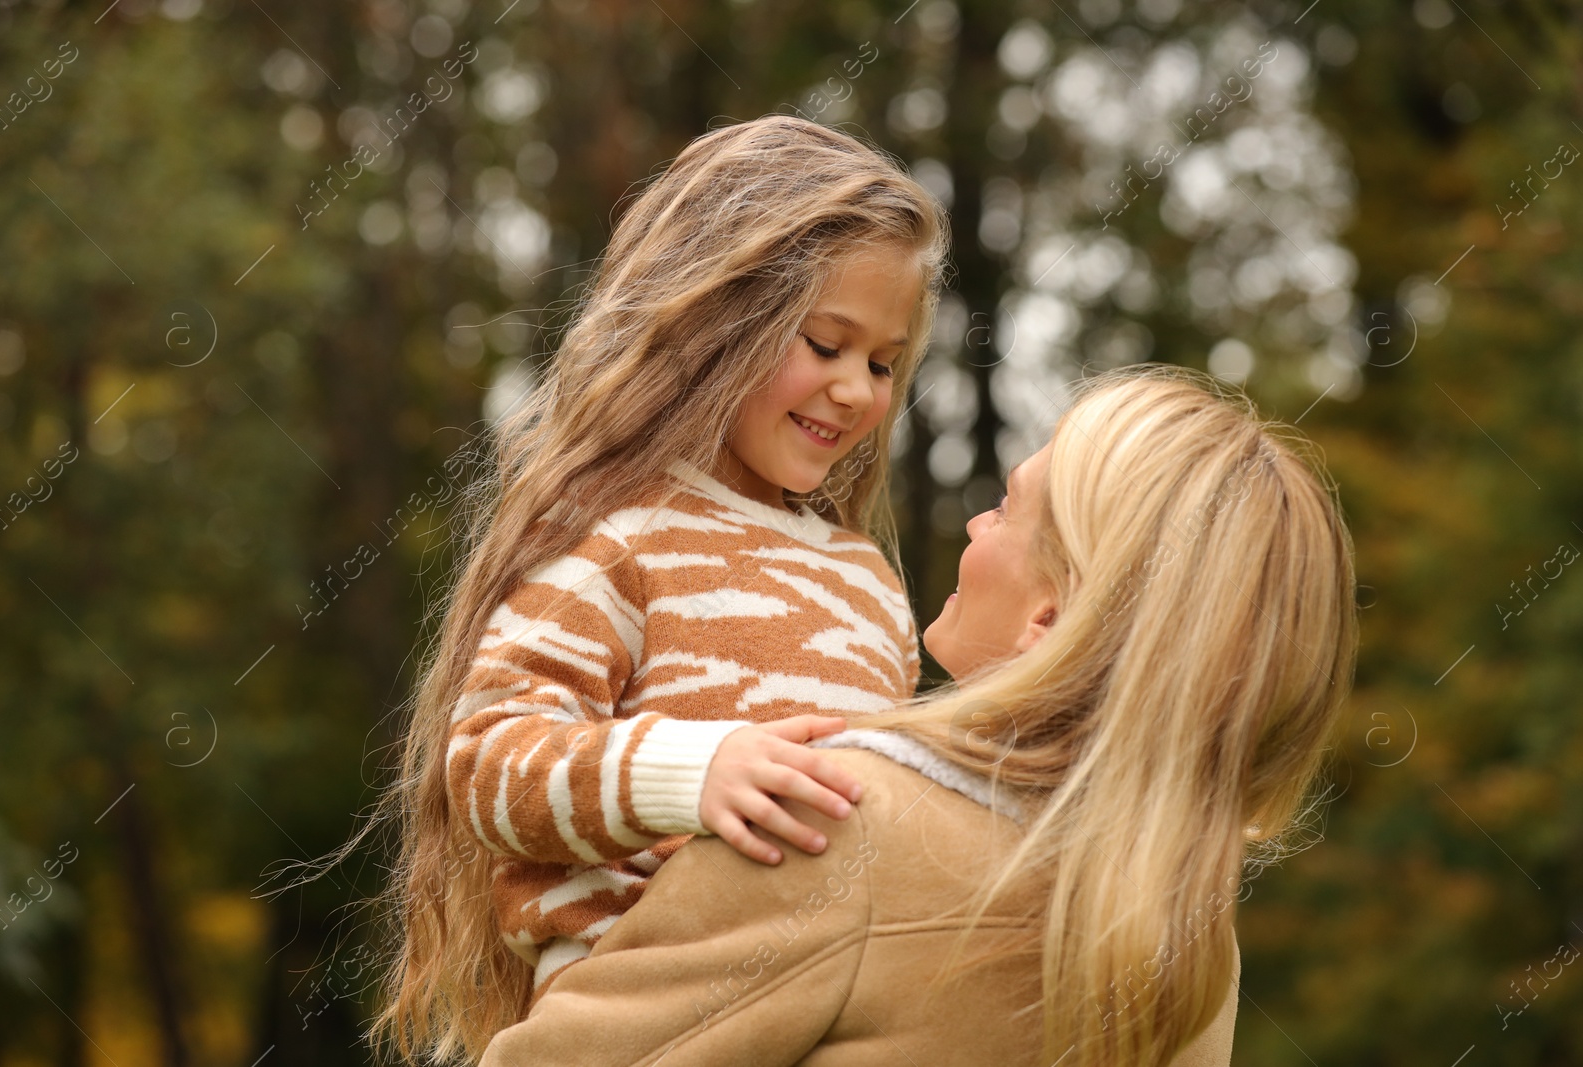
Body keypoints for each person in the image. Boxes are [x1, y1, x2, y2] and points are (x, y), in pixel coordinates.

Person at [479, 366, 1360, 1067]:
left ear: (1048, 622)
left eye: (1011, 507)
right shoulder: (1186, 927)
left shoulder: (841, 824)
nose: (978, 523)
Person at [364, 115, 952, 1064]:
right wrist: (693, 771)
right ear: (716, 318)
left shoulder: (872, 586)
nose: (855, 390)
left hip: (818, 1018)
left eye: (882, 363)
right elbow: (489, 763)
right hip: (629, 1017)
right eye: (826, 343)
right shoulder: (615, 536)